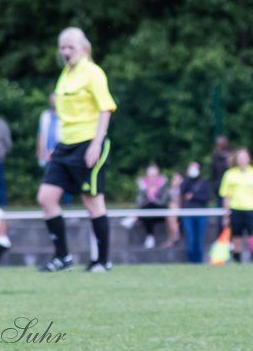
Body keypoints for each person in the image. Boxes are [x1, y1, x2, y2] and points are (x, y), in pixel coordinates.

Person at [38, 27, 118, 273]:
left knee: (92, 201)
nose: (65, 52)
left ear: (83, 48)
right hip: (65, 146)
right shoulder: (65, 74)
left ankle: (102, 261)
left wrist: (96, 143)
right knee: (46, 198)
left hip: (88, 143)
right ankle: (63, 257)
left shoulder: (93, 73)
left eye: (70, 47)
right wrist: (57, 146)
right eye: (62, 47)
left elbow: (105, 108)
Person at [219, 148, 253, 263]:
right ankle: (237, 260)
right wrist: (226, 215)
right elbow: (226, 196)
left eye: (244, 157)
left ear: (248, 159)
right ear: (236, 160)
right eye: (240, 158)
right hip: (235, 210)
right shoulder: (229, 174)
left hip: (251, 209)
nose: (242, 160)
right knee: (236, 237)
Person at [178, 162, 212, 264]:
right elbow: (182, 191)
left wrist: (194, 196)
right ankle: (191, 260)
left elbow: (206, 198)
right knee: (190, 237)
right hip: (188, 213)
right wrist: (187, 178)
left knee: (199, 238)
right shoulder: (186, 182)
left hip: (201, 213)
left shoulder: (204, 183)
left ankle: (199, 261)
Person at [135, 163, 170, 249]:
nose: (152, 178)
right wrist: (145, 191)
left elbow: (164, 201)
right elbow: (139, 202)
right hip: (147, 212)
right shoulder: (142, 186)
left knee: (148, 208)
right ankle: (150, 236)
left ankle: (135, 217)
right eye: (150, 176)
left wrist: (154, 199)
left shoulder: (163, 185)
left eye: (154, 175)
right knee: (146, 210)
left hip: (160, 211)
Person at [36, 93, 59, 169]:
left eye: (54, 100)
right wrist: (39, 152)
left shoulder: (64, 116)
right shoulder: (45, 115)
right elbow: (40, 134)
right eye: (51, 100)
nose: (53, 103)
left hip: (59, 153)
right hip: (46, 154)